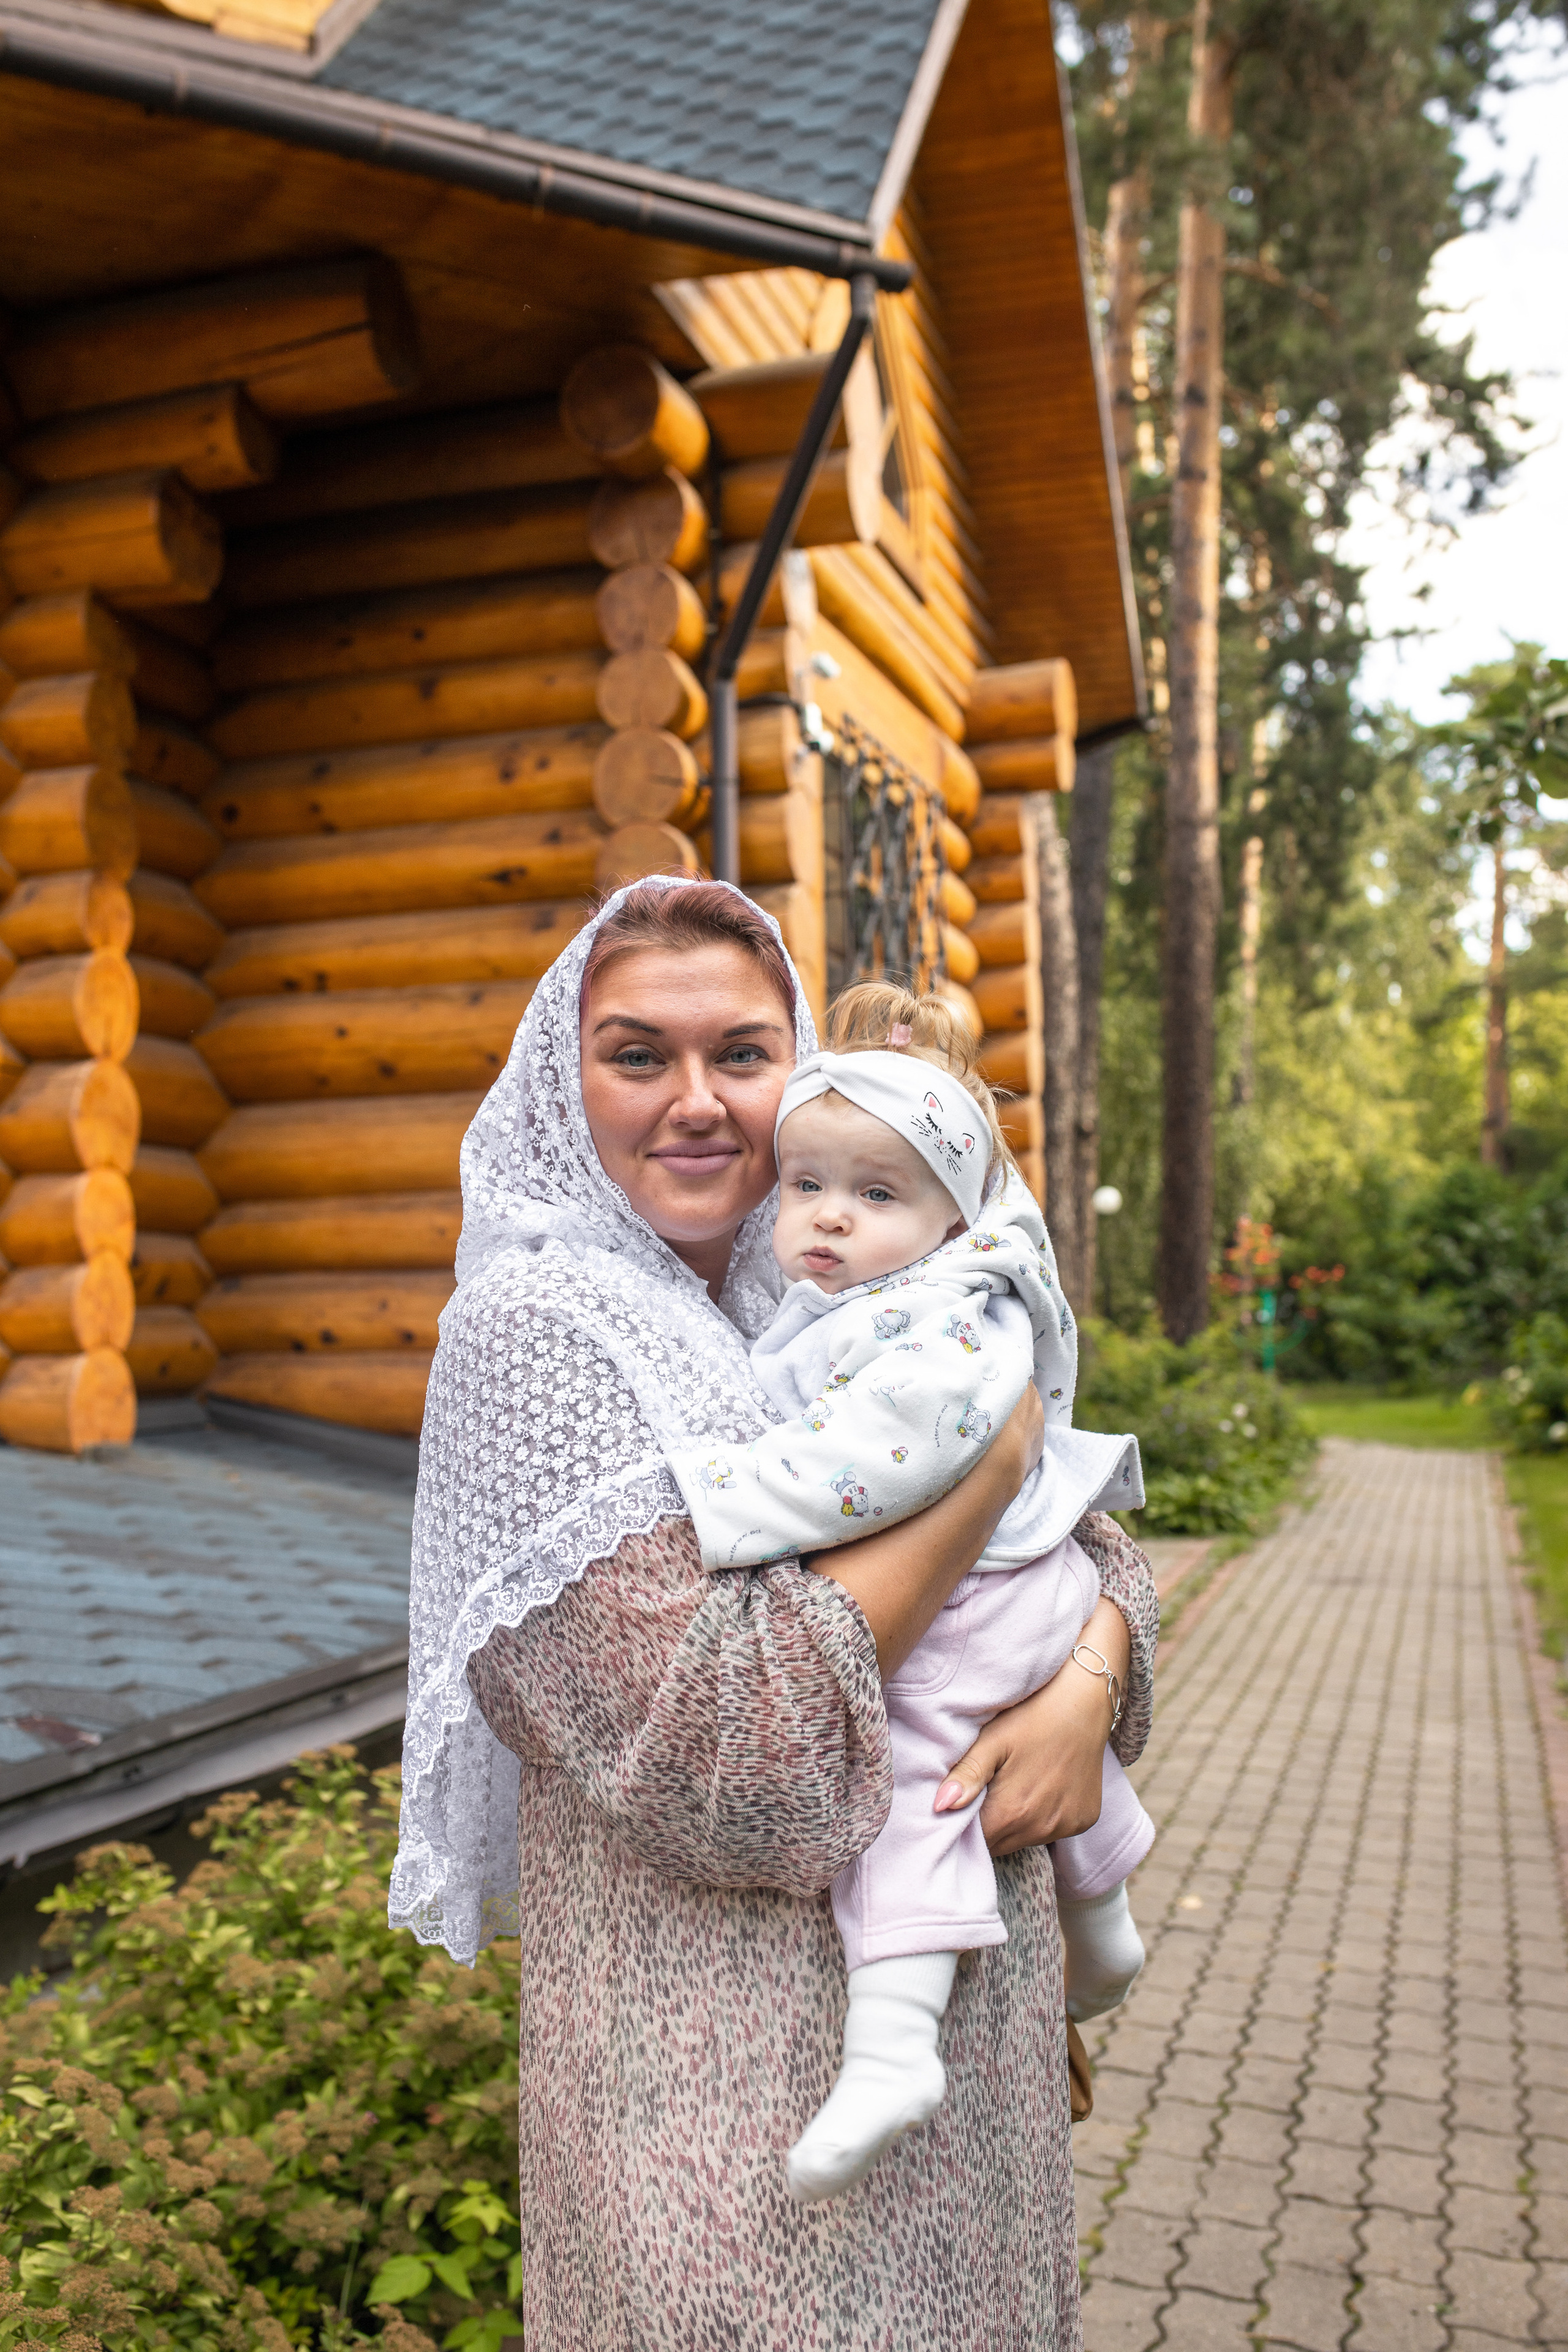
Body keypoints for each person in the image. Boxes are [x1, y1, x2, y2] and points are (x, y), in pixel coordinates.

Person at [394, 875, 1159, 2352]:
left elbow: (1088, 1537)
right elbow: (726, 1749)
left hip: (967, 2071)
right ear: (564, 1082)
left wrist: (1084, 1679)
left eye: (740, 1055)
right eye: (636, 1056)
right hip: (731, 2128)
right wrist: (987, 1456)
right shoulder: (538, 1334)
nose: (696, 1103)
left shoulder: (826, 1269)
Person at [665, 981, 1153, 2202]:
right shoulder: (872, 1299)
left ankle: (890, 2047)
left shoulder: (933, 1324)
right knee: (999, 1752)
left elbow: (865, 1466)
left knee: (913, 1784)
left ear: (949, 1220)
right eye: (807, 1186)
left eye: (875, 1196)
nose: (828, 1219)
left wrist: (719, 1496)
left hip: (981, 1598)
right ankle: (1104, 1927)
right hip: (1026, 1589)